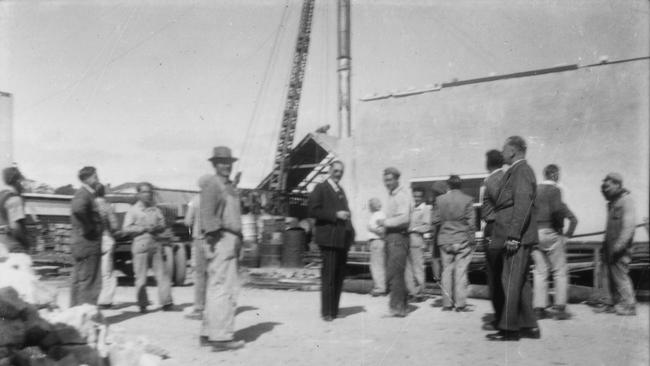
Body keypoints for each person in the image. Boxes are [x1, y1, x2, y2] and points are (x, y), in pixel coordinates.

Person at [486, 136, 540, 341]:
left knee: (509, 281)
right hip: (515, 235)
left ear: (513, 151)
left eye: (504, 149)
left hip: (515, 236)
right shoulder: (516, 171)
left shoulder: (522, 171)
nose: (502, 153)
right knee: (521, 282)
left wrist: (514, 236)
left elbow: (522, 205)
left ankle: (509, 329)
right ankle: (529, 326)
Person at [199, 146, 246, 351]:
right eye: (222, 162)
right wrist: (214, 237)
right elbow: (208, 214)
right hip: (222, 239)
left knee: (217, 286)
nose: (226, 165)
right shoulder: (213, 184)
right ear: (214, 164)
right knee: (224, 288)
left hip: (229, 239)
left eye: (229, 162)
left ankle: (209, 333)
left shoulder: (227, 186)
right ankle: (221, 338)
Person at [308, 160, 355, 321]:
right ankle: (326, 312)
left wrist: (351, 235)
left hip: (342, 240)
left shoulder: (341, 190)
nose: (338, 174)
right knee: (328, 276)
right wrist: (335, 214)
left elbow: (347, 214)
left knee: (338, 276)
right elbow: (312, 210)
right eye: (336, 171)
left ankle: (334, 310)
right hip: (329, 240)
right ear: (329, 171)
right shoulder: (320, 188)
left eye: (341, 171)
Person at [532, 164, 578, 320]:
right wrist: (563, 234)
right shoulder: (555, 190)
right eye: (558, 175)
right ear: (554, 175)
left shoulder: (535, 190)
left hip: (534, 233)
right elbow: (558, 211)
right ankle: (560, 308)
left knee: (540, 271)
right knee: (559, 271)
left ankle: (539, 308)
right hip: (551, 231)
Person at [122, 182, 173, 313]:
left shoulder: (155, 209)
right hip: (140, 243)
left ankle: (166, 302)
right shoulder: (133, 210)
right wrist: (143, 228)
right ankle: (142, 303)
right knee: (141, 276)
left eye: (149, 192)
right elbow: (126, 228)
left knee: (162, 274)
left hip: (155, 243)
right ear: (138, 194)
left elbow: (162, 223)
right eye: (144, 192)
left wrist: (158, 227)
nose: (148, 195)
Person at [594, 172, 637, 316]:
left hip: (620, 247)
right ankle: (610, 303)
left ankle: (629, 305)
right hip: (609, 246)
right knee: (607, 275)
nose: (605, 188)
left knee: (620, 276)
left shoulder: (626, 200)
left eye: (608, 185)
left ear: (618, 184)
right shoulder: (612, 203)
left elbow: (629, 226)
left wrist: (620, 245)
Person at [432, 175, 476, 311]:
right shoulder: (468, 200)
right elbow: (472, 224)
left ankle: (446, 304)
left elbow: (435, 220)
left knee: (446, 272)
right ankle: (460, 304)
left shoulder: (439, 200)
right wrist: (472, 240)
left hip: (445, 239)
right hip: (462, 239)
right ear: (460, 185)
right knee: (461, 272)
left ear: (448, 185)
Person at [377, 167, 411, 317]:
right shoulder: (392, 195)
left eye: (390, 180)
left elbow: (404, 219)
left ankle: (396, 308)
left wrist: (385, 222)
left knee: (394, 274)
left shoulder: (401, 195)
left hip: (398, 237)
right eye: (385, 180)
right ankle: (401, 307)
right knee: (397, 273)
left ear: (397, 179)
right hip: (393, 237)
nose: (387, 183)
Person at [70, 166, 104, 306]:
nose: (98, 179)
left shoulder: (85, 193)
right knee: (90, 280)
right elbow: (78, 209)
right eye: (95, 177)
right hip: (88, 243)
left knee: (80, 280)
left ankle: (76, 314)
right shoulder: (85, 194)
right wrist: (89, 227)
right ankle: (87, 315)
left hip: (82, 243)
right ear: (86, 179)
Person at [480, 150, 505, 329]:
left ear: (488, 163)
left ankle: (501, 318)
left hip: (494, 228)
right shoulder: (508, 177)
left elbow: (502, 201)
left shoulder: (492, 180)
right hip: (502, 228)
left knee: (494, 275)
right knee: (504, 273)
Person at [184, 175, 212, 320]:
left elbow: (187, 221)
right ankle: (211, 306)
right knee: (212, 274)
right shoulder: (216, 200)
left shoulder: (195, 200)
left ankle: (199, 308)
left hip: (199, 240)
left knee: (200, 275)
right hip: (214, 241)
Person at [95, 183, 120, 309]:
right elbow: (115, 226)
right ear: (103, 193)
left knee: (95, 271)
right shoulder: (107, 206)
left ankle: (96, 298)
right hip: (106, 238)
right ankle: (106, 300)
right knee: (107, 272)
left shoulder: (90, 205)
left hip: (93, 240)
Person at [406, 187, 431, 302]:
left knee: (418, 268)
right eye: (415, 196)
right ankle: (412, 292)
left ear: (423, 197)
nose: (416, 198)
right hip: (407, 241)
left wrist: (414, 228)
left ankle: (421, 293)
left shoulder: (425, 209)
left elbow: (427, 226)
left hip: (417, 241)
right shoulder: (410, 208)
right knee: (409, 269)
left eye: (419, 196)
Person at [0, 167, 31, 254]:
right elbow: (16, 228)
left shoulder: (1, 196)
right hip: (13, 247)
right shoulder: (14, 199)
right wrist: (26, 244)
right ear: (16, 181)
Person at [367, 197, 387, 297]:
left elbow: (382, 231)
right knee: (378, 265)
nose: (369, 207)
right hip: (375, 242)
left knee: (377, 266)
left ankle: (380, 288)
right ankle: (381, 286)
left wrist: (371, 229)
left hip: (377, 241)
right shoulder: (377, 215)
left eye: (370, 205)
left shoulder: (379, 215)